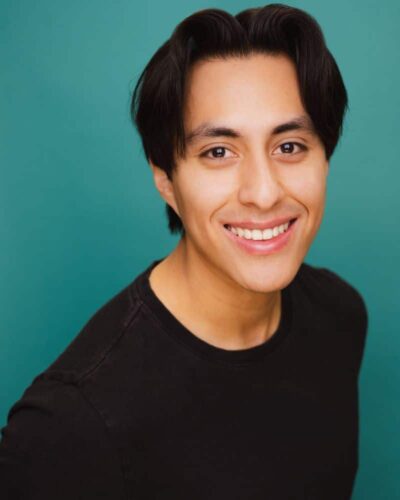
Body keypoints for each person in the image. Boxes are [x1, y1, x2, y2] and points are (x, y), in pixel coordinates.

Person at [0, 3, 368, 499]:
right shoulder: (69, 424)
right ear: (166, 181)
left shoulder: (339, 314)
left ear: (325, 159)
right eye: (218, 152)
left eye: (289, 146)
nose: (264, 193)